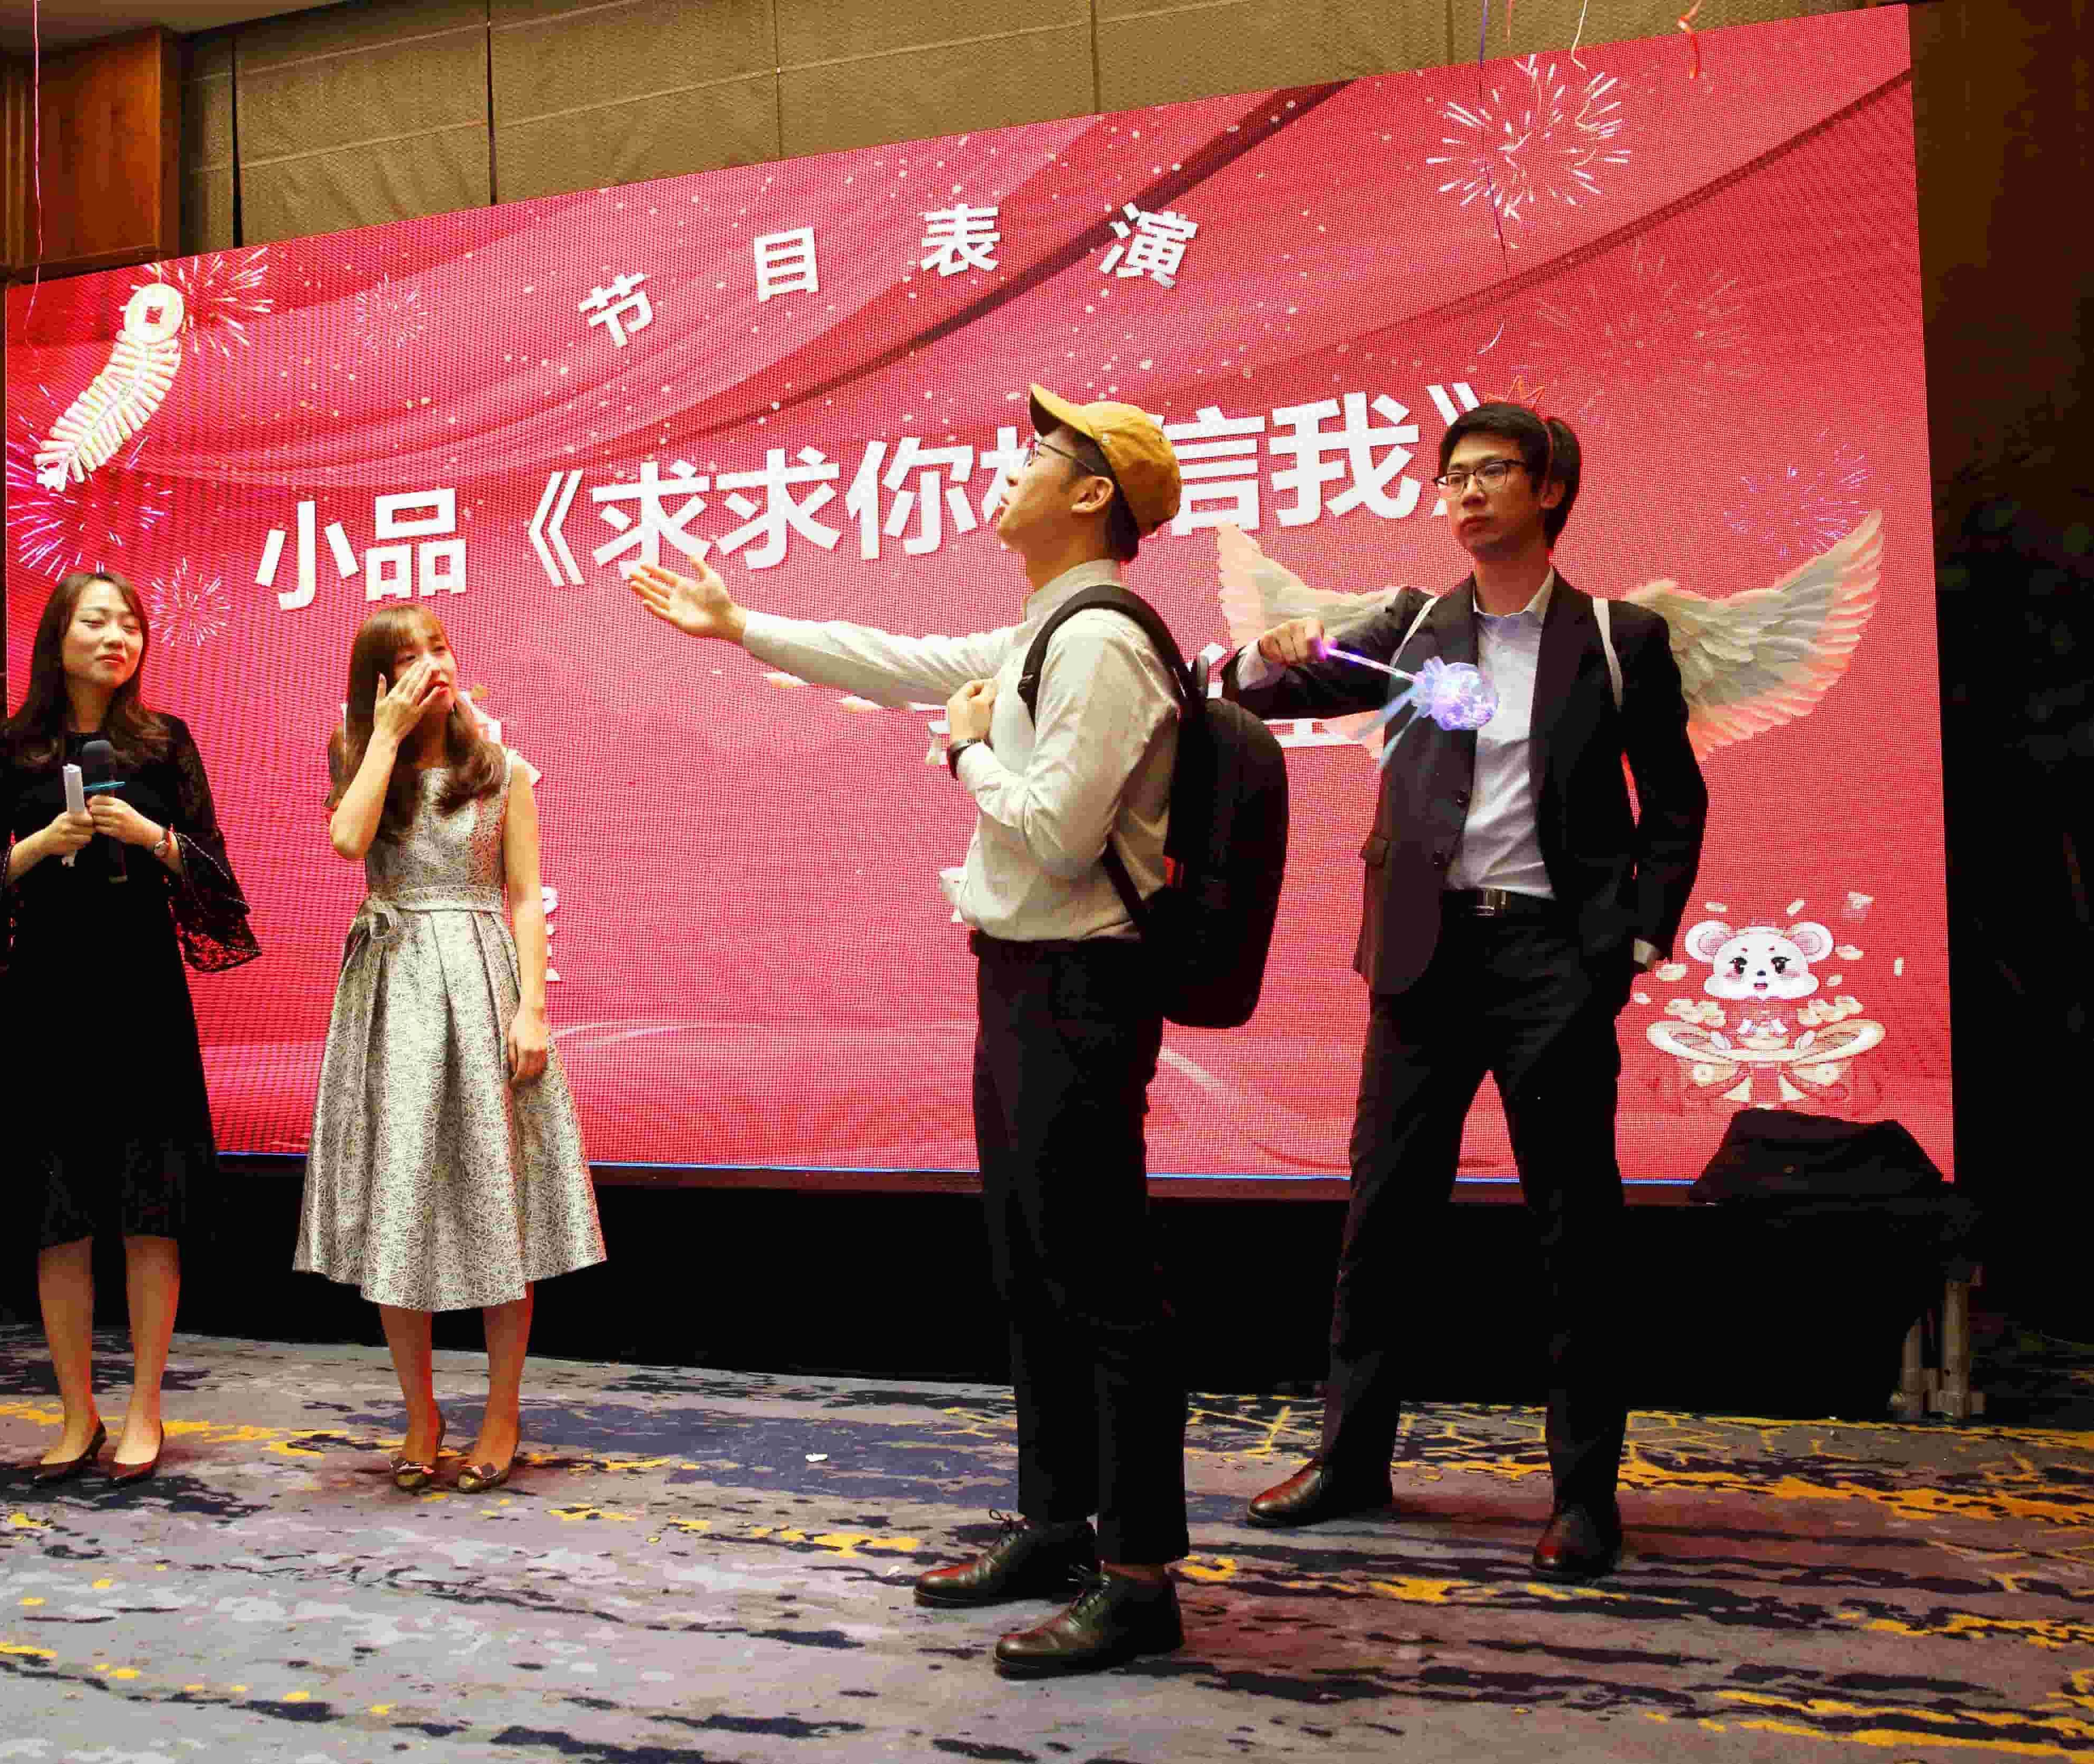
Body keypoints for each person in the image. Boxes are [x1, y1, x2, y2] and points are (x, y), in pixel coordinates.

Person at [628, 386, 1190, 1679]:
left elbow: (1057, 833)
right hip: (1026, 979)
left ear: (1091, 493)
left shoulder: (1101, 643)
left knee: (1100, 1284)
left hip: (1080, 985)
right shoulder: (1046, 627)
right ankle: (1055, 1525)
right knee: (1033, 1268)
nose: (1013, 468)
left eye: (1040, 454)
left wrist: (963, 754)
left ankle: (1138, 1575)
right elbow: (896, 658)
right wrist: (741, 626)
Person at [1224, 403, 1707, 1581]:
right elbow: (1271, 695)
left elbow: (1674, 800)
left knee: (1574, 1228)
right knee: (1381, 1214)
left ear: (1549, 490)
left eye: (1491, 471)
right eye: (1451, 477)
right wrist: (1266, 656)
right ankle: (1350, 1459)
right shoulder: (1411, 628)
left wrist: (1635, 940)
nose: (1466, 493)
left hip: (1552, 958)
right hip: (1422, 953)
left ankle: (1583, 1496)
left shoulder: (1618, 637)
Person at [0, 568, 259, 1486]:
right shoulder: (12, 751)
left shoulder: (164, 742)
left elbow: (220, 888)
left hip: (142, 992)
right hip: (49, 996)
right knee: (60, 1215)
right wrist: (45, 845)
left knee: (151, 1208)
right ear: (58, 636)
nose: (118, 637)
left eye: (131, 624)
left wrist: (151, 838)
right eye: (98, 621)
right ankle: (77, 1411)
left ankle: (145, 1405)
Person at [296, 606, 605, 1496]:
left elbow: (523, 895)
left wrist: (533, 1009)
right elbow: (347, 840)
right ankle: (419, 1413)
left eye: (438, 648)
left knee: (499, 1202)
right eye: (406, 659)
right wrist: (385, 737)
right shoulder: (359, 755)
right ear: (377, 681)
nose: (432, 666)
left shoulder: (501, 766)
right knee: (399, 1201)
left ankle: (502, 1411)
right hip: (392, 989)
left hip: (478, 981)